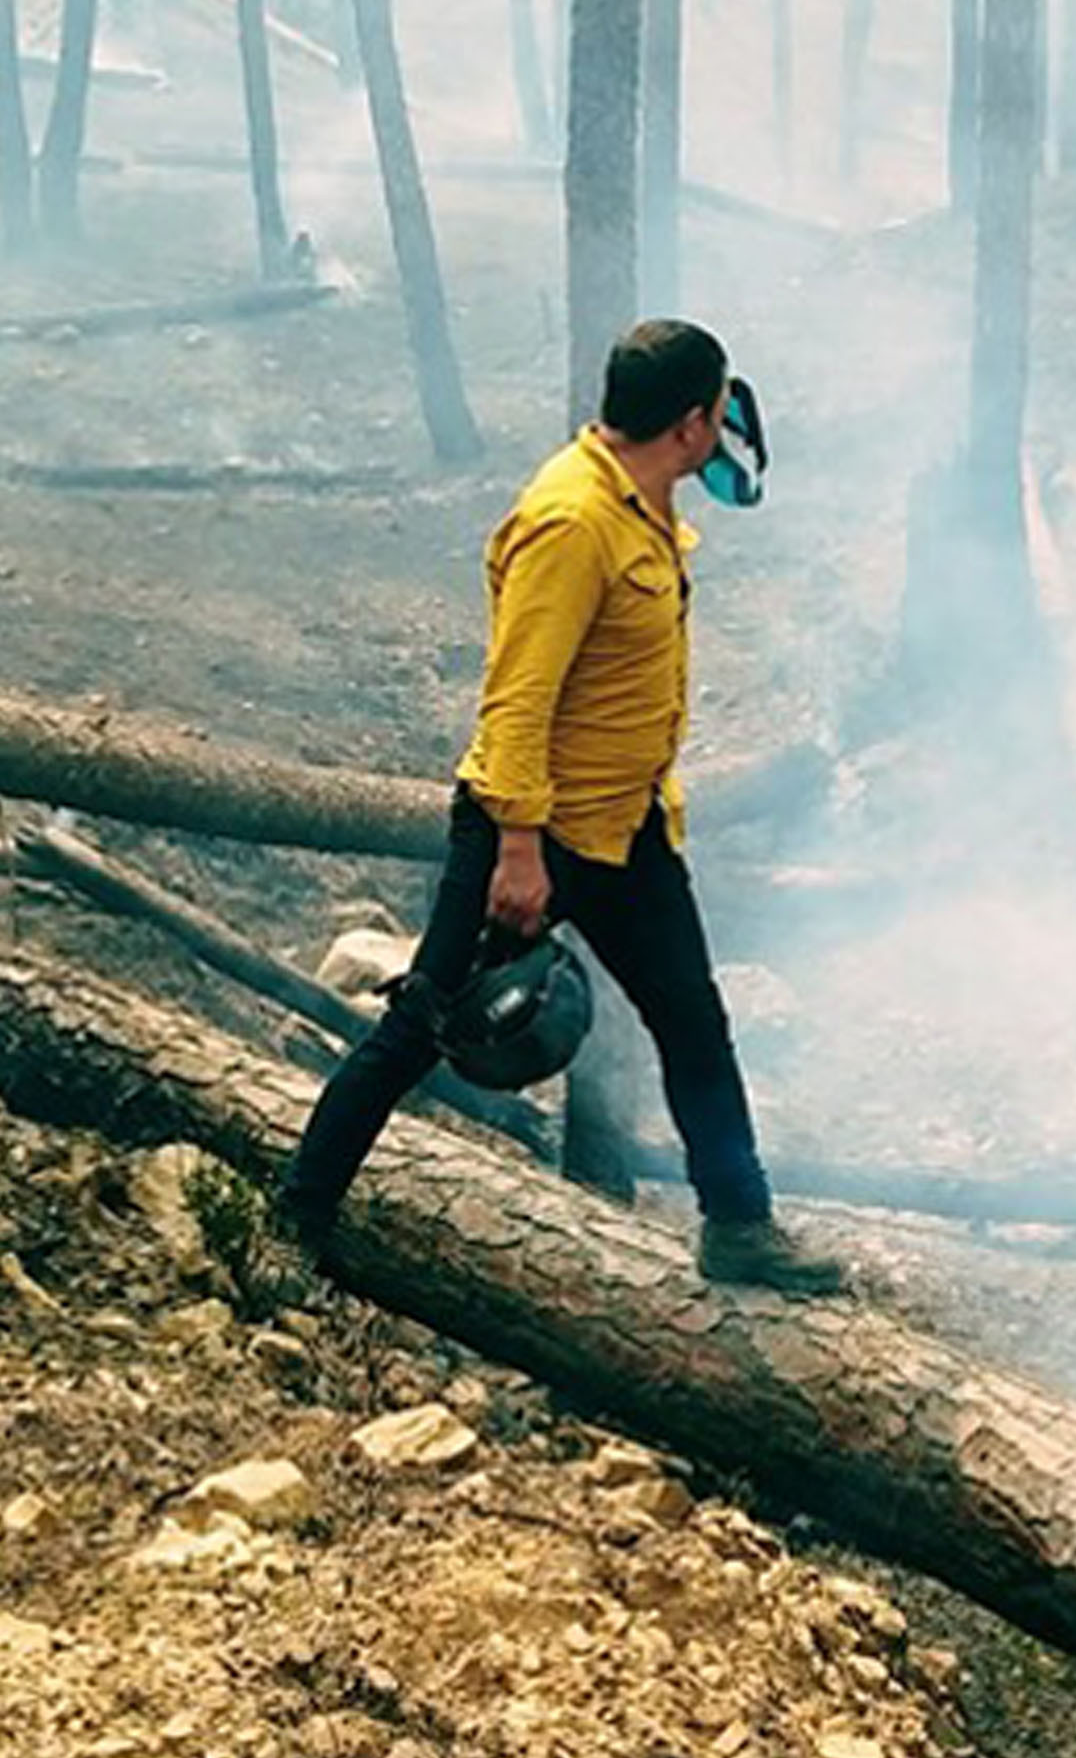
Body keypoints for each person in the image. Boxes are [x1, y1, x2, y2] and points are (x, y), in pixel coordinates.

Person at [276, 319, 846, 1296]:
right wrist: (519, 850)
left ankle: (740, 1226)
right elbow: (518, 697)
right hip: (530, 830)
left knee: (693, 1022)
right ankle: (294, 1219)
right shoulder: (573, 521)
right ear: (692, 422)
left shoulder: (642, 503)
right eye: (717, 411)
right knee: (419, 1025)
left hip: (628, 827)